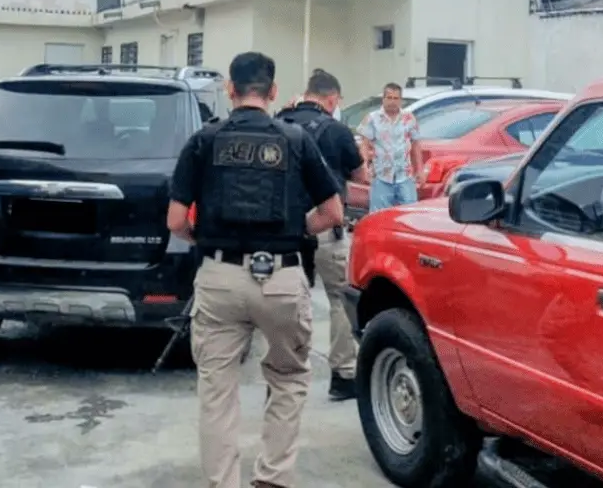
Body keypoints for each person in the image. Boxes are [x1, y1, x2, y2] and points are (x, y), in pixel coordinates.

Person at [167, 51, 345, 488]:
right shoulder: (296, 140)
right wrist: (296, 230)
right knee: (287, 379)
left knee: (217, 391)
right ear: (273, 91)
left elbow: (175, 221)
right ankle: (273, 479)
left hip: (219, 278)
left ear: (230, 89)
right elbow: (334, 212)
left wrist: (205, 240)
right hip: (281, 278)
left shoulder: (204, 140)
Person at [274, 69, 367, 401]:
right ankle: (343, 374)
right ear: (332, 99)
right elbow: (361, 176)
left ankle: (282, 372)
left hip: (282, 228)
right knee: (340, 298)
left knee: (283, 300)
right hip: (326, 224)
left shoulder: (278, 123)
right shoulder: (337, 130)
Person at [357, 82, 423, 212]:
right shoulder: (372, 119)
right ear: (383, 99)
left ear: (400, 100)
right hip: (381, 176)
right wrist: (364, 166)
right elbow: (364, 145)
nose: (392, 101)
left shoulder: (409, 118)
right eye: (389, 98)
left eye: (396, 98)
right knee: (379, 216)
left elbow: (416, 144)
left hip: (404, 176)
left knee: (410, 214)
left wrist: (419, 169)